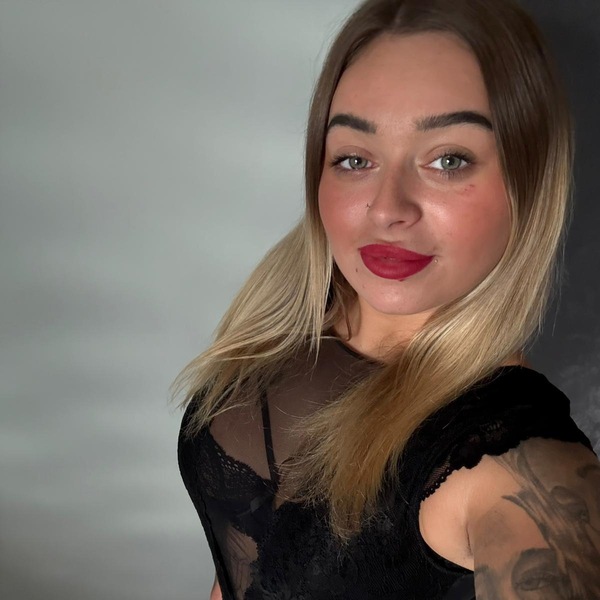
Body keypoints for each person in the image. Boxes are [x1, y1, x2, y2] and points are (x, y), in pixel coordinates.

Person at [174, 0, 600, 597]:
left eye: (448, 160)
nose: (388, 209)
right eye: (354, 159)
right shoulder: (293, 321)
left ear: (527, 180)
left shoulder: (521, 464)